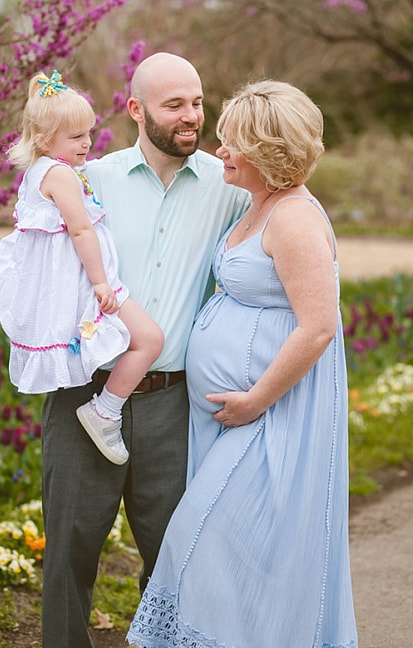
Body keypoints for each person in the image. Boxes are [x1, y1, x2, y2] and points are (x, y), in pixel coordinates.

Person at [126, 81, 357, 647]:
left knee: (210, 537)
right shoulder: (259, 204)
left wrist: (256, 399)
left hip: (272, 415)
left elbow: (319, 326)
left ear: (267, 154)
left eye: (231, 145)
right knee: (241, 553)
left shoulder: (295, 218)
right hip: (234, 416)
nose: (218, 151)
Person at [40, 53, 250, 647]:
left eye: (198, 101)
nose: (192, 116)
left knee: (175, 558)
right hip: (83, 392)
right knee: (69, 556)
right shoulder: (92, 179)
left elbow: (279, 220)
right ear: (135, 110)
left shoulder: (225, 184)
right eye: (174, 104)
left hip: (172, 401)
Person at [0, 70, 163, 464]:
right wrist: (102, 283)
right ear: (43, 139)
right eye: (76, 138)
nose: (87, 143)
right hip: (91, 285)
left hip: (70, 285)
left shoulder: (41, 172)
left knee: (139, 340)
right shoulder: (60, 175)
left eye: (88, 133)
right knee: (151, 340)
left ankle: (103, 406)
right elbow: (81, 231)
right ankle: (104, 412)